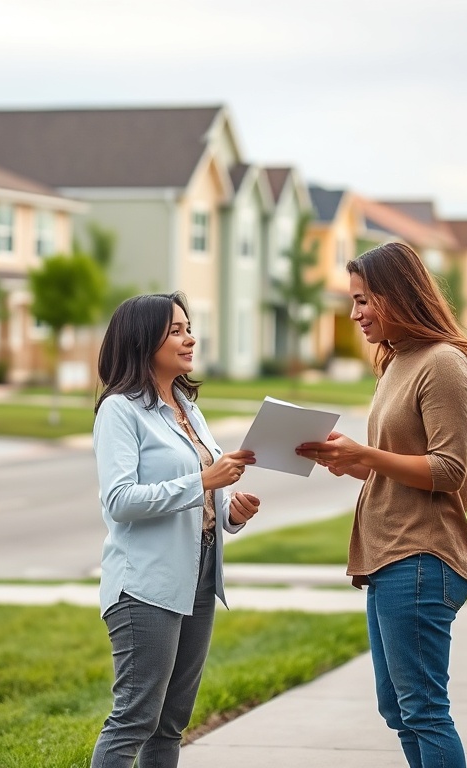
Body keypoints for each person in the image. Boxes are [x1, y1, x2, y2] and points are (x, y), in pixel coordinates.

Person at [296, 242, 467, 768]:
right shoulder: (398, 364)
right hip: (389, 557)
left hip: (422, 557)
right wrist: (347, 458)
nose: (354, 314)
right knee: (398, 709)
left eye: (363, 301)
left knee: (425, 709)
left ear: (397, 295)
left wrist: (367, 454)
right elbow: (395, 462)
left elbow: (449, 470)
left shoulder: (444, 364)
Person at [89, 291, 261, 767]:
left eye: (189, 328)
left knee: (171, 724)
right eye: (177, 331)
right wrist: (204, 480)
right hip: (145, 584)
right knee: (134, 720)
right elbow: (120, 501)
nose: (190, 339)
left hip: (199, 576)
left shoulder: (186, 405)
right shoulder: (120, 411)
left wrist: (230, 512)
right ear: (144, 341)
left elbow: (203, 495)